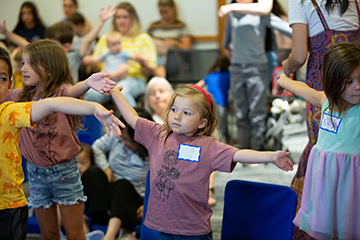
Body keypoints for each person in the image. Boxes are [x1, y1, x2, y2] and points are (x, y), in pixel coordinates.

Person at [110, 84, 294, 239]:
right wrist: (115, 93)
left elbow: (239, 154)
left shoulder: (208, 146)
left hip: (193, 230)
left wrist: (271, 156)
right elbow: (132, 118)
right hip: (163, 225)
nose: (177, 116)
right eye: (174, 109)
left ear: (202, 123)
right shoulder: (158, 135)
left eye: (187, 113)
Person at [2, 39, 124, 240]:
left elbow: (73, 91)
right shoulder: (18, 96)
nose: (23, 69)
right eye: (23, 63)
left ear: (49, 68)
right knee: (49, 233)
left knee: (74, 232)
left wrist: (88, 83)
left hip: (64, 172)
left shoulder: (60, 92)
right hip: (35, 174)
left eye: (30, 63)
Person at [281, 1, 360, 237]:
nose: (357, 87)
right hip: (327, 174)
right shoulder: (326, 101)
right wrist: (282, 81)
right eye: (351, 83)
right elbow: (303, 90)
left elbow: (298, 55)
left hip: (330, 73)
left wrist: (286, 69)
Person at [219, 0, 292, 151]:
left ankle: (257, 151)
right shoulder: (232, 15)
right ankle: (243, 150)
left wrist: (306, 36)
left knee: (257, 112)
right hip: (237, 68)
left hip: (257, 68)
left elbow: (288, 29)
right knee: (240, 112)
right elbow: (226, 45)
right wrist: (237, 60)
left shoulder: (260, 13)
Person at [81, 107, 152, 240]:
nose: (125, 143)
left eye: (129, 141)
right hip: (110, 198)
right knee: (93, 172)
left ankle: (110, 236)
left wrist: (149, 204)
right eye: (122, 139)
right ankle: (100, 223)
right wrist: (106, 168)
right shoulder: (117, 136)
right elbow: (96, 148)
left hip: (134, 204)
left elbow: (162, 182)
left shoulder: (155, 150)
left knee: (122, 184)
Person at [85, 2, 157, 107]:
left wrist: (142, 62)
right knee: (91, 94)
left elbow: (150, 70)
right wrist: (92, 62)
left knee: (121, 92)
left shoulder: (144, 38)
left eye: (125, 17)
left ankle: (134, 123)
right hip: (107, 79)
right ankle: (90, 124)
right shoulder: (105, 38)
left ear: (133, 19)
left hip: (133, 79)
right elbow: (95, 64)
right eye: (118, 17)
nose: (121, 20)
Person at [148, 0, 192, 78]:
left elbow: (187, 48)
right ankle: (162, 76)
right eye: (161, 12)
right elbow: (145, 43)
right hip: (156, 55)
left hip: (174, 58)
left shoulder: (181, 26)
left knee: (168, 54)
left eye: (166, 12)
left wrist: (174, 43)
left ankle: (162, 77)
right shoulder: (153, 26)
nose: (164, 15)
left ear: (173, 9)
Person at [82, 31, 147, 82]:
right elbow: (98, 58)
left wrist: (140, 57)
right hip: (108, 75)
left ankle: (112, 76)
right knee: (102, 72)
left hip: (120, 76)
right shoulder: (107, 54)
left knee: (125, 66)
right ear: (108, 46)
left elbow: (133, 57)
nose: (117, 46)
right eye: (114, 44)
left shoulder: (123, 53)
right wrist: (89, 59)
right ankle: (108, 87)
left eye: (118, 43)